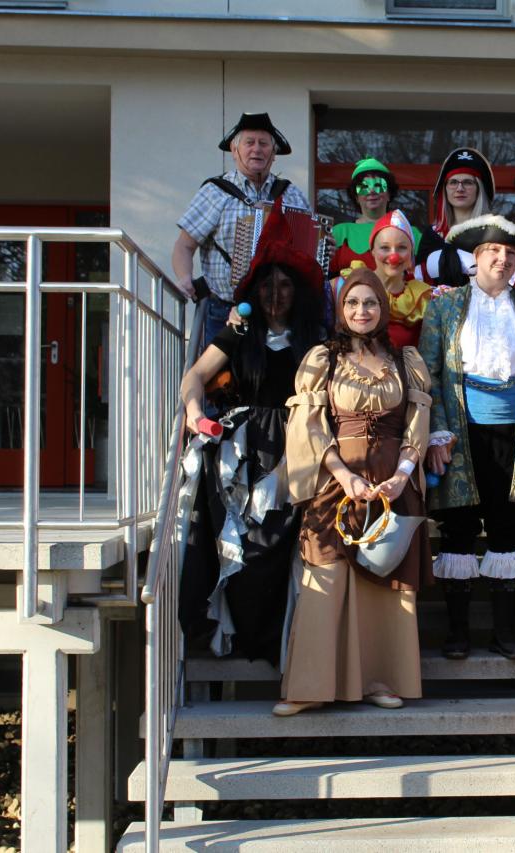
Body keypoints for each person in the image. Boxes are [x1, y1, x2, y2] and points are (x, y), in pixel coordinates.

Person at [276, 266, 434, 716]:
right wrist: (344, 476)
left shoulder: (406, 361)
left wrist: (402, 474)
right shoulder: (323, 359)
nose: (361, 310)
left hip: (391, 484)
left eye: (369, 302)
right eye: (352, 303)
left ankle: (381, 680)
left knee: (384, 583)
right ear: (341, 309)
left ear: (382, 308)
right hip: (336, 483)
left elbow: (418, 422)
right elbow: (308, 425)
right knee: (325, 574)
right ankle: (310, 686)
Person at [177, 199, 325, 666]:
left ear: (297, 291)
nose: (275, 294)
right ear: (255, 290)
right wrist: (194, 411)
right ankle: (245, 638)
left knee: (289, 547)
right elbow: (195, 376)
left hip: (297, 448)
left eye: (285, 285)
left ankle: (286, 644)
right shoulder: (238, 333)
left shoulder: (315, 339)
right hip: (245, 451)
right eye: (267, 285)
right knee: (247, 544)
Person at [418, 214, 515, 660]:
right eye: (493, 251)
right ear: (477, 257)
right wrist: (436, 432)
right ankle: (457, 633)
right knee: (459, 527)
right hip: (458, 432)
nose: (502, 259)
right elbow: (428, 375)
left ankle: (505, 631)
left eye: (510, 253)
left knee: (508, 527)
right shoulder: (444, 307)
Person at [173, 112, 313, 344]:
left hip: (279, 315)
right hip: (224, 311)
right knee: (221, 369)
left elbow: (308, 253)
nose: (256, 149)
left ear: (274, 153)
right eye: (249, 143)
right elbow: (184, 246)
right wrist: (184, 277)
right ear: (234, 150)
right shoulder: (215, 192)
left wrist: (322, 248)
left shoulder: (291, 195)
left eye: (263, 144)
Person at [417, 147, 495, 287]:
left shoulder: (493, 234)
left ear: (479, 189)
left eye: (468, 182)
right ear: (445, 189)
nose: (460, 189)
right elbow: (417, 283)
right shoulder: (431, 235)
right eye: (453, 182)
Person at [330, 157, 423, 274]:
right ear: (356, 197)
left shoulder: (410, 232)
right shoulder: (339, 233)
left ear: (389, 194)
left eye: (379, 185)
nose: (372, 191)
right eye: (364, 187)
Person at [367, 208, 432, 349]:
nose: (393, 256)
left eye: (402, 248)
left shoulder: (422, 298)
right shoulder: (349, 287)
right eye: (385, 247)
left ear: (411, 253)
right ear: (373, 251)